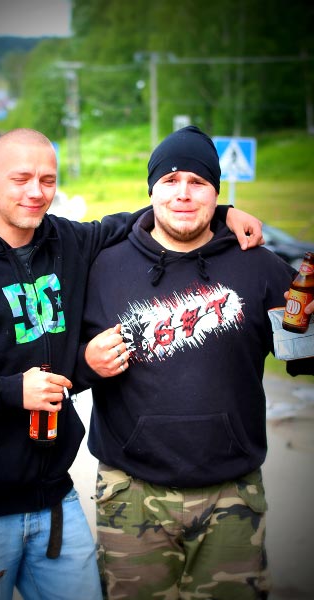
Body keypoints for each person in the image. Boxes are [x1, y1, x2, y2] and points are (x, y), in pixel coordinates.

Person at [0, 127, 263, 600]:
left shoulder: (67, 243)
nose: (36, 192)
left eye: (47, 180)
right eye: (21, 179)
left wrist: (220, 211)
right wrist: (12, 391)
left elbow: (148, 216)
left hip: (55, 502)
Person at [75, 125, 314, 600]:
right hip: (131, 494)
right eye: (170, 180)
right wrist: (85, 360)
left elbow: (302, 355)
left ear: (216, 193)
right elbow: (62, 366)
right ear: (151, 190)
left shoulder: (259, 266)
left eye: (198, 182)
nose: (183, 193)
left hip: (233, 494)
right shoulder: (103, 267)